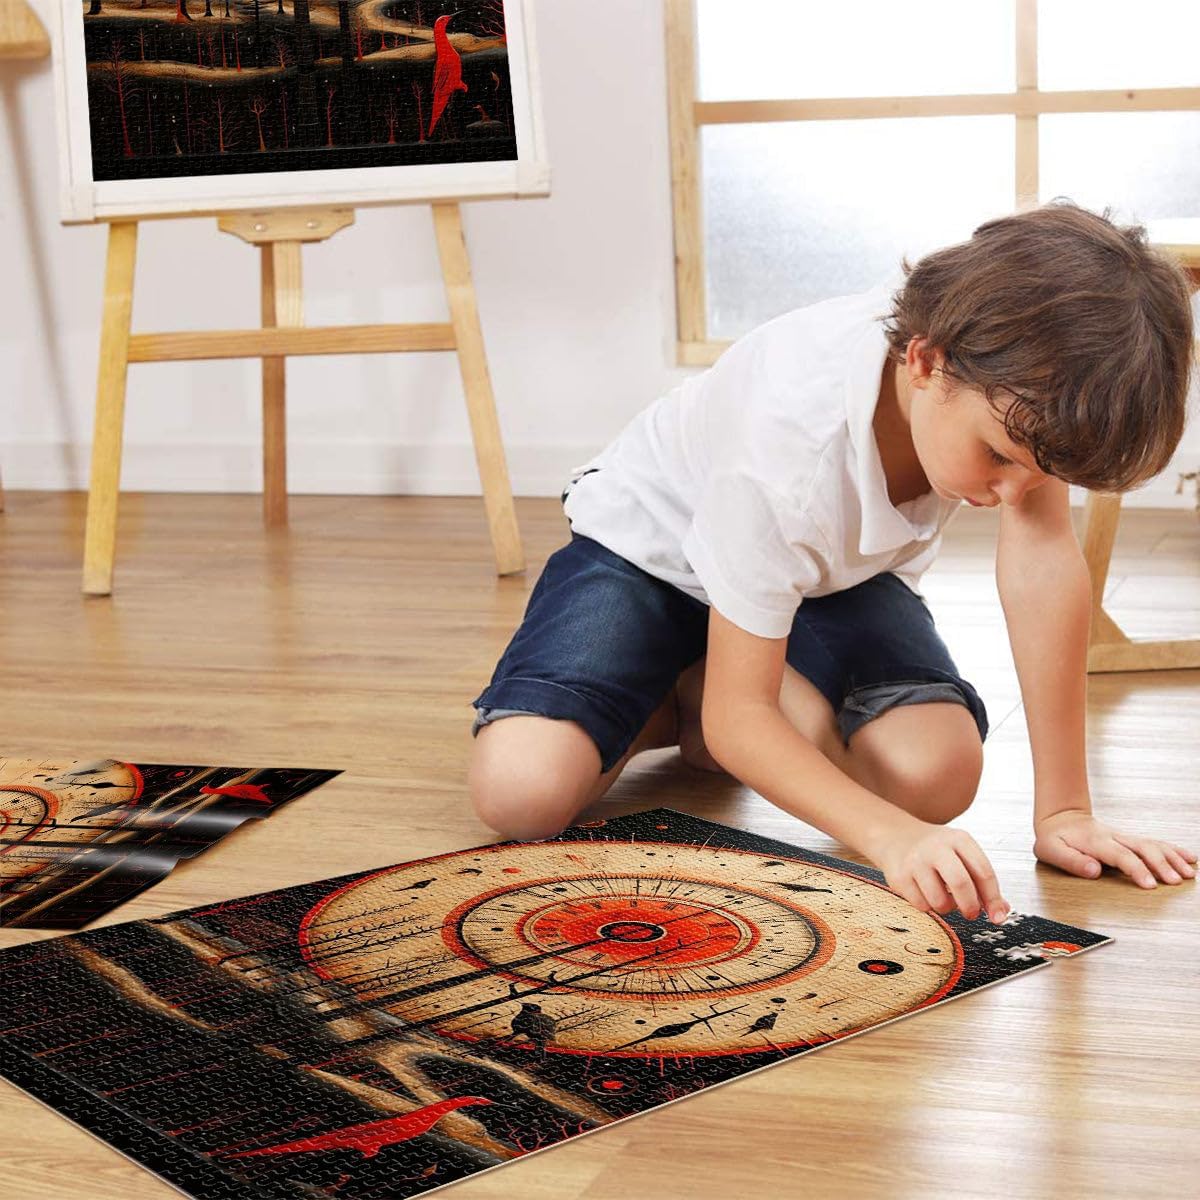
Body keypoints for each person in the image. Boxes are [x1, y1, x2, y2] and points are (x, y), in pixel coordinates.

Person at [467, 199, 1198, 925]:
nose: (1013, 493)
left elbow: (1042, 563)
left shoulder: (1018, 368)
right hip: (652, 555)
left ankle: (702, 681)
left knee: (935, 774)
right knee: (521, 792)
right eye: (998, 458)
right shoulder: (787, 447)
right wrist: (889, 837)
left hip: (822, 579)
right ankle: (683, 686)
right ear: (925, 362)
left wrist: (1065, 810)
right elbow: (740, 718)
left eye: (1039, 474)